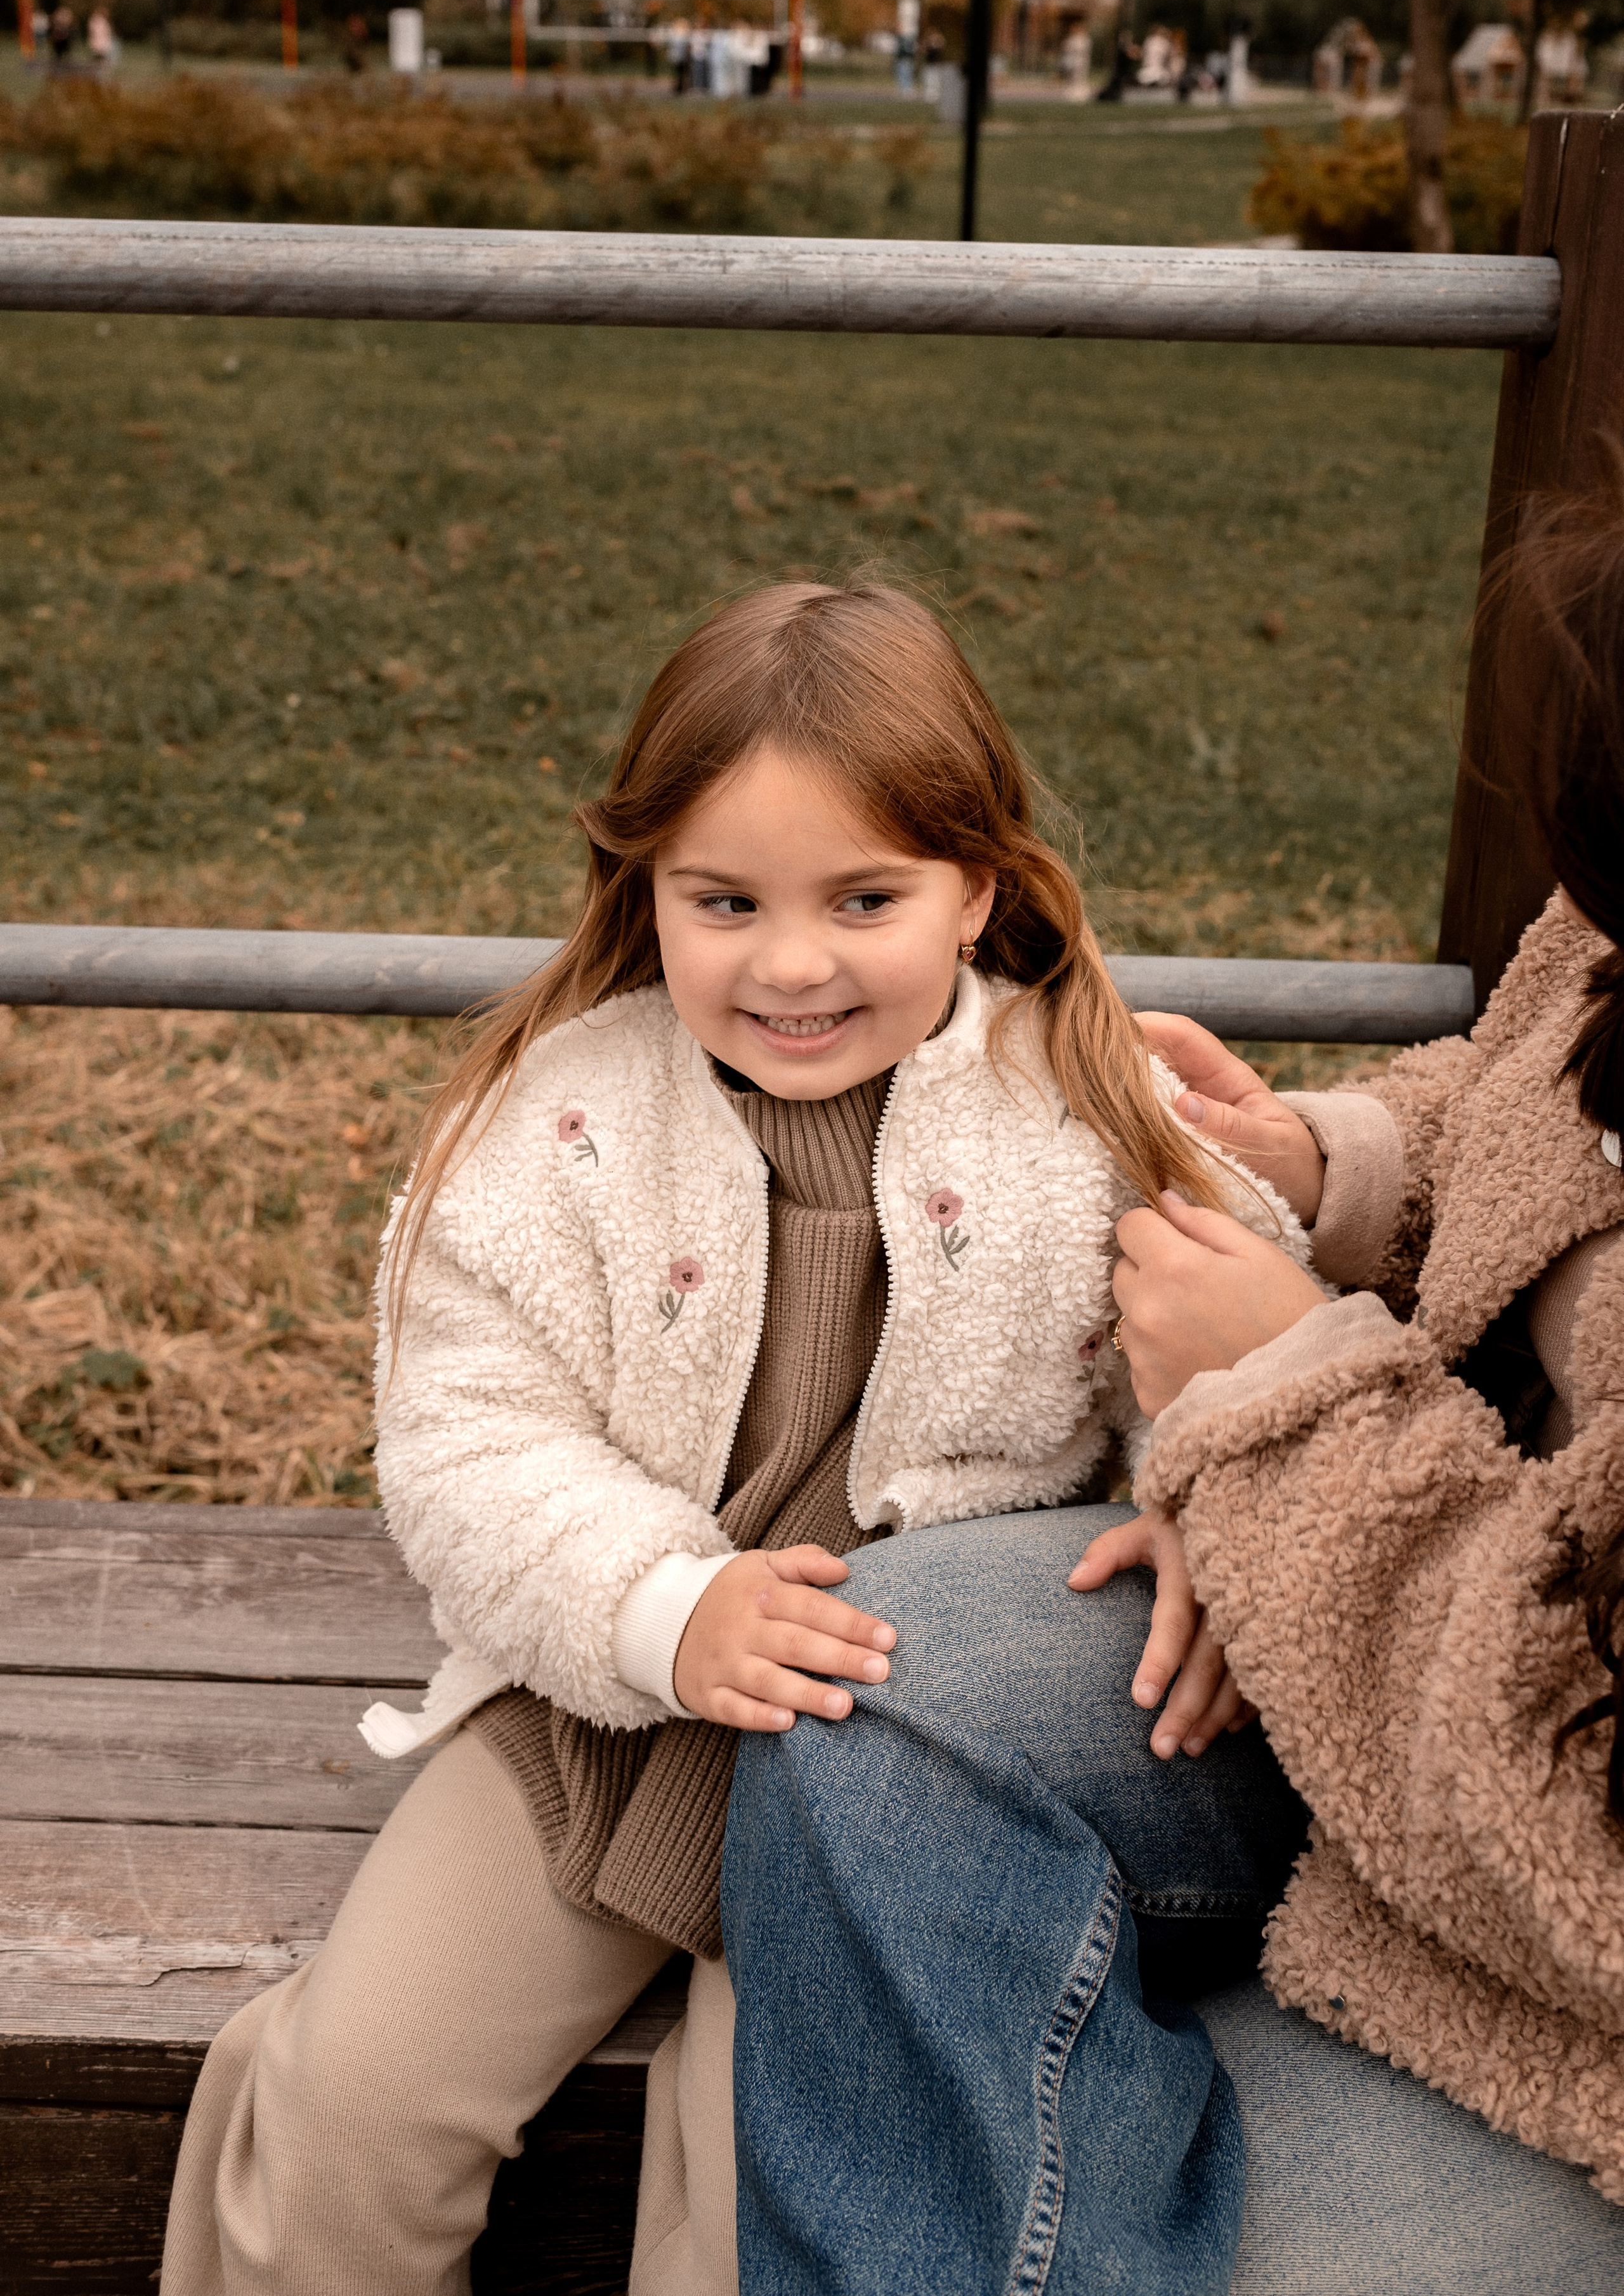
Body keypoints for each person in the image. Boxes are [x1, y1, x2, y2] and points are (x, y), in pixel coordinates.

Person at [159, 581, 1297, 2294]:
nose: (791, 961)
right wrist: (663, 1610)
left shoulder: (1082, 1115)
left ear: (978, 889)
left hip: (893, 1799)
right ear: (649, 891)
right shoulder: (559, 1122)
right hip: (594, 1722)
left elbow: (1243, 1329)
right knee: (345, 2112)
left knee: (754, 2212)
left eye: (865, 898)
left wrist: (1207, 1493)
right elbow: (467, 1434)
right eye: (726, 900)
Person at [723, 502, 1624, 2290]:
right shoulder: (1614, 941)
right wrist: (1333, 1166)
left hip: (1567, 1964)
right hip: (1415, 1674)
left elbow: (1574, 1838)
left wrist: (1278, 1415)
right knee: (875, 1696)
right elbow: (1555, 1103)